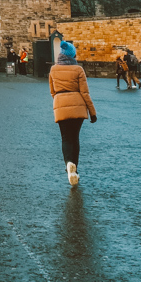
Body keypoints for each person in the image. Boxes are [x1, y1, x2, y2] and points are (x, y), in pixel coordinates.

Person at [49, 41, 97, 186]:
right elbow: (85, 92)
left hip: (60, 104)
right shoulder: (78, 69)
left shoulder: (53, 69)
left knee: (65, 138)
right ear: (72, 55)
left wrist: (60, 101)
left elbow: (52, 91)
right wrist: (92, 112)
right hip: (78, 105)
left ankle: (69, 164)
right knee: (74, 137)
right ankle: (75, 168)